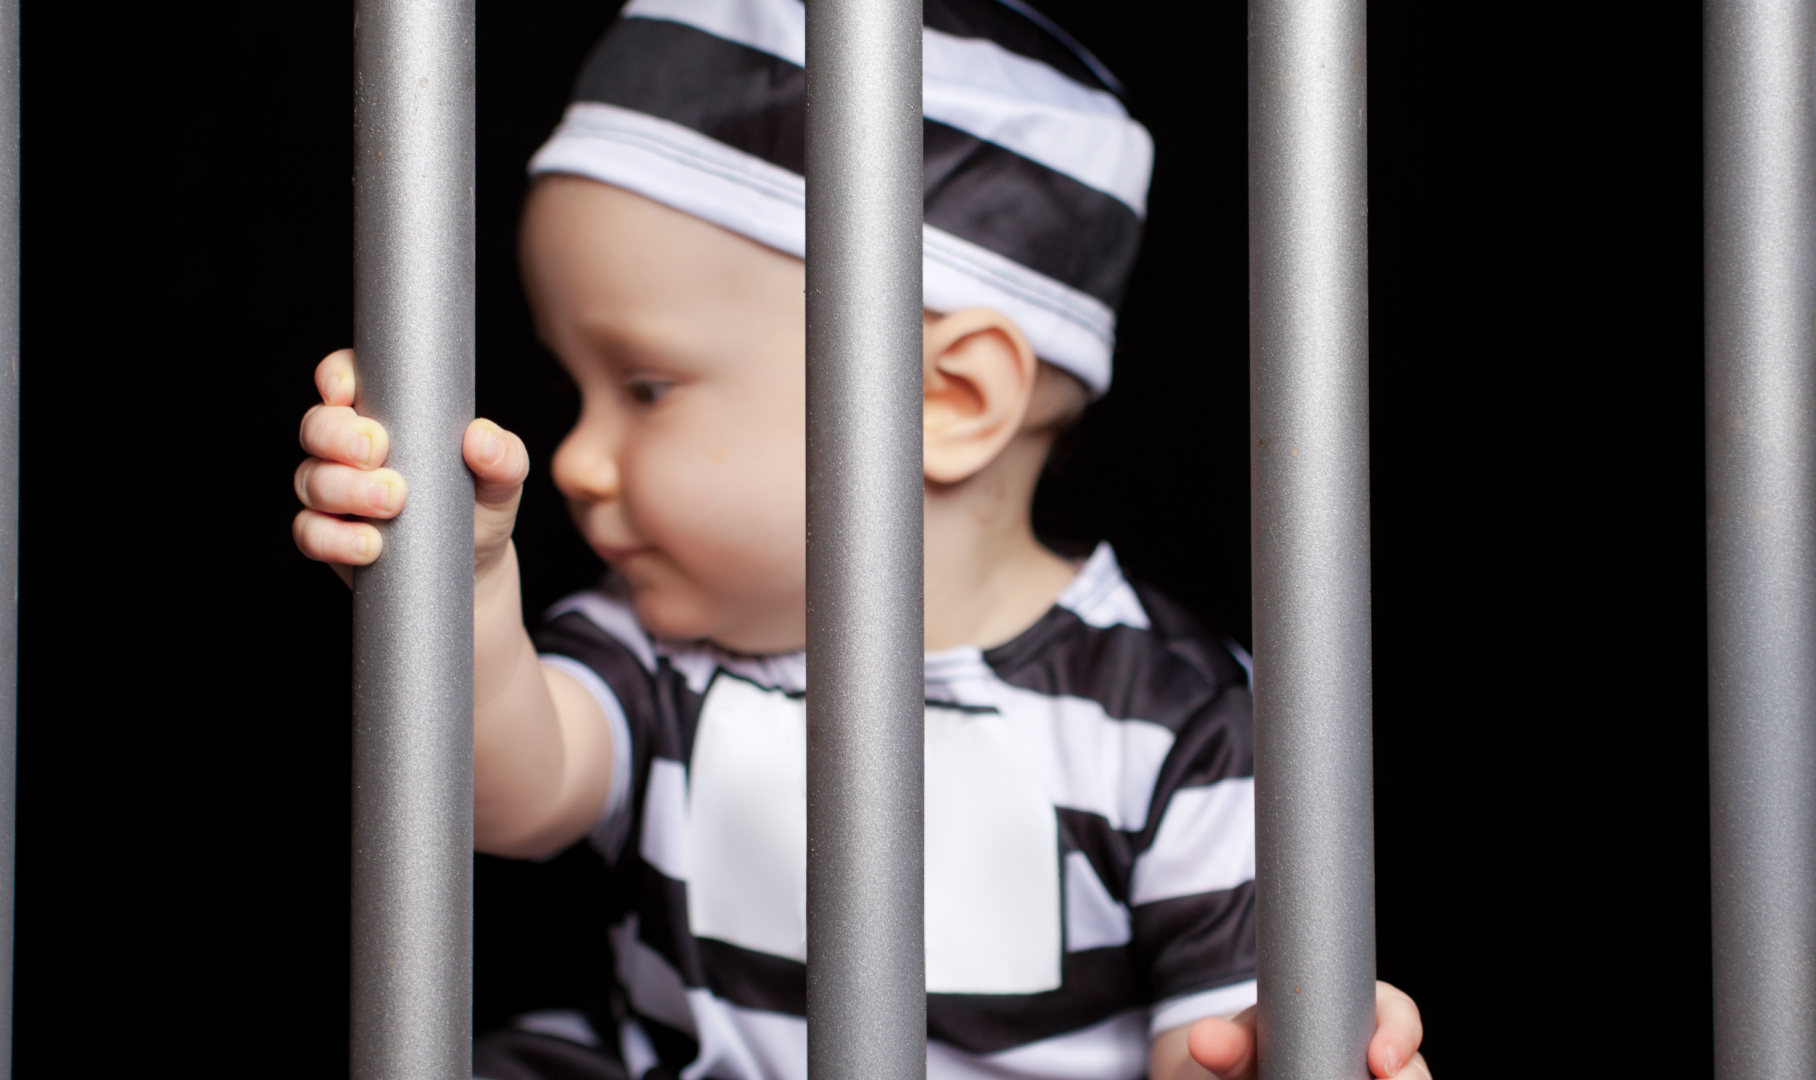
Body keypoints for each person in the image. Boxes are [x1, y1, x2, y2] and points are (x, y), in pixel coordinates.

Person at [290, 1, 1430, 1077]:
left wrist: (1267, 1054)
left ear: (947, 398)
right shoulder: (652, 647)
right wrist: (459, 588)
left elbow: (1209, 1039)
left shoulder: (1179, 724)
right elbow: (508, 792)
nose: (578, 461)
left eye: (644, 387)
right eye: (570, 390)